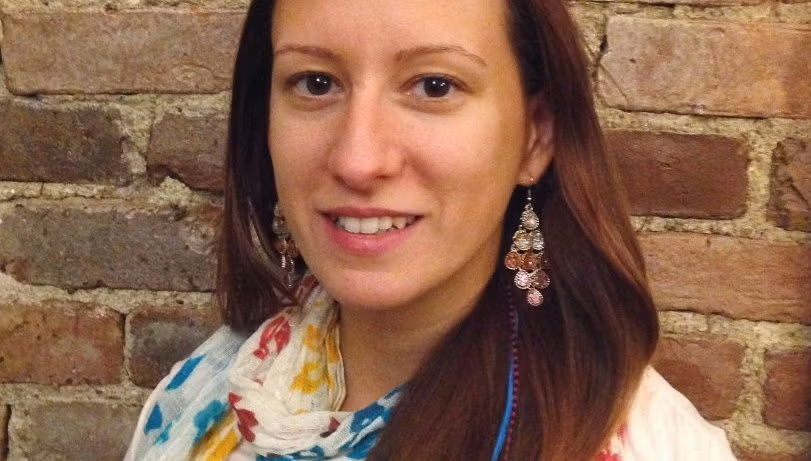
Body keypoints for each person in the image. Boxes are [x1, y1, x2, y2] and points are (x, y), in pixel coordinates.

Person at [126, 0, 739, 459]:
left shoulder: (650, 445)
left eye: (434, 85)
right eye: (316, 83)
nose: (357, 159)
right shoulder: (206, 394)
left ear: (535, 136)